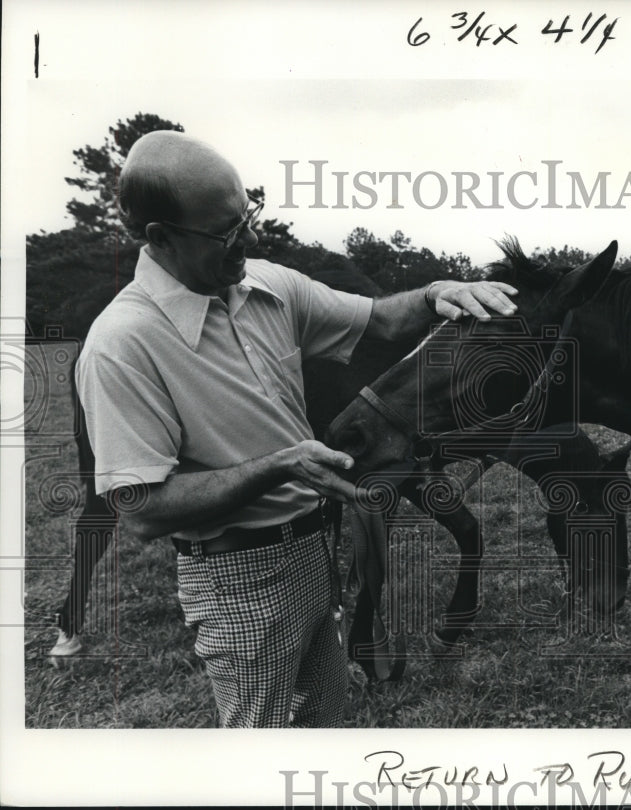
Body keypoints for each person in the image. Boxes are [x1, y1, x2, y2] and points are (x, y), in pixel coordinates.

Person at [74, 131, 517, 727]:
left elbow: (382, 320)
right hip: (235, 580)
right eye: (226, 232)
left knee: (326, 729)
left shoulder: (267, 285)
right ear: (161, 238)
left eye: (246, 219)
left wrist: (440, 291)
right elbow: (142, 507)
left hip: (314, 551)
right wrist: (279, 466)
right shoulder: (121, 345)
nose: (249, 241)